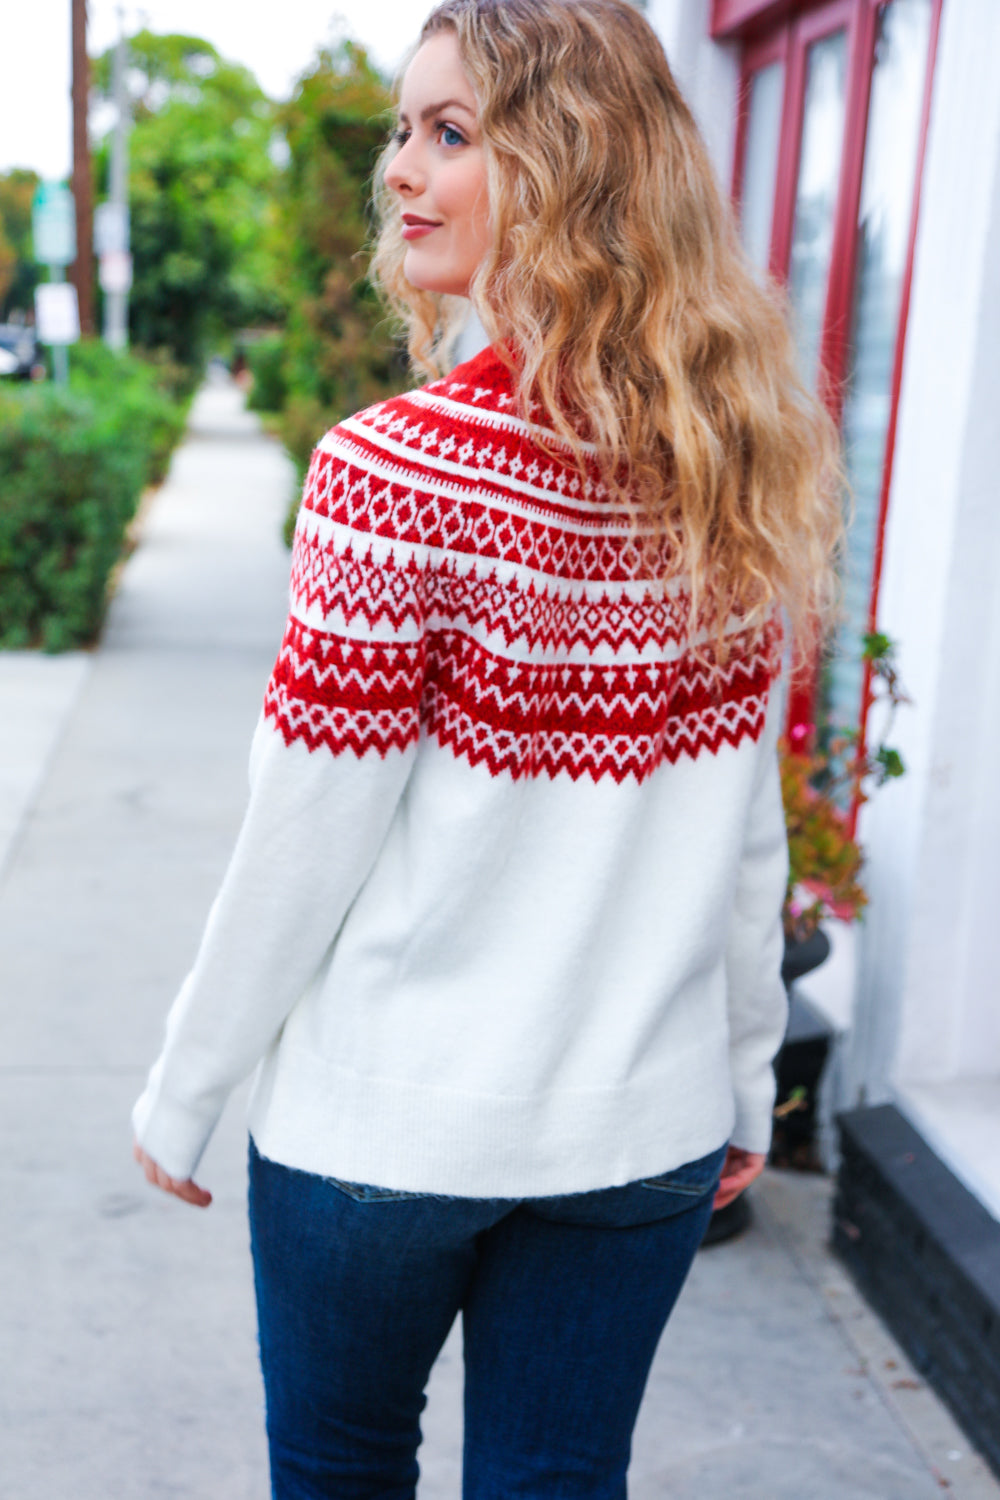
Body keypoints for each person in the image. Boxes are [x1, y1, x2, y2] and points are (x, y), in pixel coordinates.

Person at [132, 1, 841, 1495]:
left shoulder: (392, 476)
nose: (403, 167)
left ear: (577, 168)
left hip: (379, 1138)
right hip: (633, 1137)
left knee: (338, 1471)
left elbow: (303, 832)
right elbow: (745, 836)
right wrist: (737, 1069)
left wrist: (188, 1085)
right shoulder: (734, 473)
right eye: (405, 128)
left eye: (454, 133)